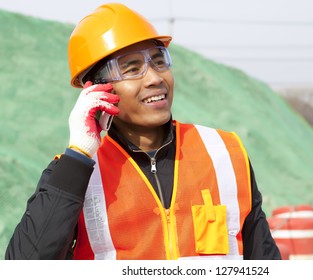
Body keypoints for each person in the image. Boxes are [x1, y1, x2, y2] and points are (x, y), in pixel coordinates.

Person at [5, 2, 280, 260]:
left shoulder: (224, 152)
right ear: (97, 90)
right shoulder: (74, 174)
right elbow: (25, 264)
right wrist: (79, 154)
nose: (155, 78)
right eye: (132, 68)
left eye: (159, 61)